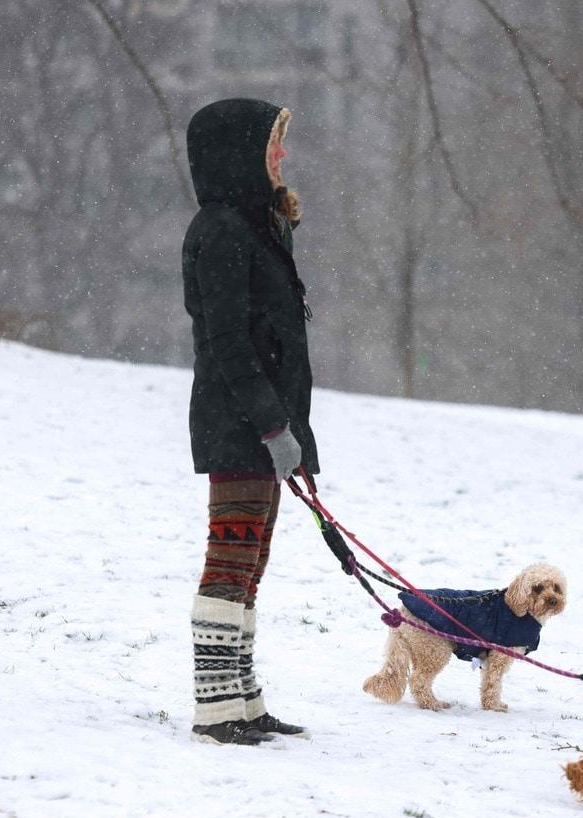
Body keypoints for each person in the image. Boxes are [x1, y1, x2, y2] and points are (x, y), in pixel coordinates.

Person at [181, 99, 319, 746]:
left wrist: (291, 432)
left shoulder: (254, 227)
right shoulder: (222, 235)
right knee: (229, 562)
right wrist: (272, 427)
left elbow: (279, 345)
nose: (282, 157)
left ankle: (243, 700)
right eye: (272, 146)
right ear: (240, 154)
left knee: (250, 566)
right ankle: (216, 709)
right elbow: (231, 348)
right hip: (237, 429)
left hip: (261, 431)